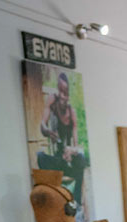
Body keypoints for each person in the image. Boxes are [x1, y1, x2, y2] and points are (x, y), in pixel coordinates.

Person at [36, 71, 88, 206]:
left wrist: (72, 151)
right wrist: (47, 131)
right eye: (60, 91)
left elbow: (77, 145)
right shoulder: (52, 100)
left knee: (81, 160)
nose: (63, 96)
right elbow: (42, 125)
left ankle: (76, 201)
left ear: (69, 93)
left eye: (65, 92)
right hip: (58, 161)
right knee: (40, 157)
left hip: (70, 160)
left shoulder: (72, 113)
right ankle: (55, 199)